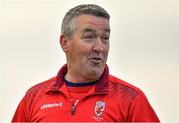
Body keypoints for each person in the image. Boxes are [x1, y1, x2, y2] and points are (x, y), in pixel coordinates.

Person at [12, 4, 159, 122]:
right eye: (89, 37)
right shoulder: (34, 97)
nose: (99, 47)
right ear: (65, 43)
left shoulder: (131, 99)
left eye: (105, 38)